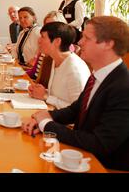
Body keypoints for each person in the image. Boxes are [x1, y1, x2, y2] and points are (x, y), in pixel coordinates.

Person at [22, 16, 129, 171]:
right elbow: (76, 109)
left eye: (86, 38)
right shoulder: (99, 75)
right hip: (82, 156)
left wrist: (47, 125)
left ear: (108, 44)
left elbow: (99, 143)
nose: (79, 42)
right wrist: (46, 115)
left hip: (103, 166)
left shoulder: (123, 87)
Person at [28, 22, 90, 109]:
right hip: (53, 113)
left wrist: (46, 96)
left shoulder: (75, 69)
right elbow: (60, 95)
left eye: (42, 37)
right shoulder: (55, 60)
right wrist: (42, 91)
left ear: (57, 41)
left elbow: (79, 110)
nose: (39, 40)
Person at [26, 11, 67, 81]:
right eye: (46, 25)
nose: (48, 29)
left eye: (52, 25)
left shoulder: (64, 51)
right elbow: (34, 72)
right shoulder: (45, 48)